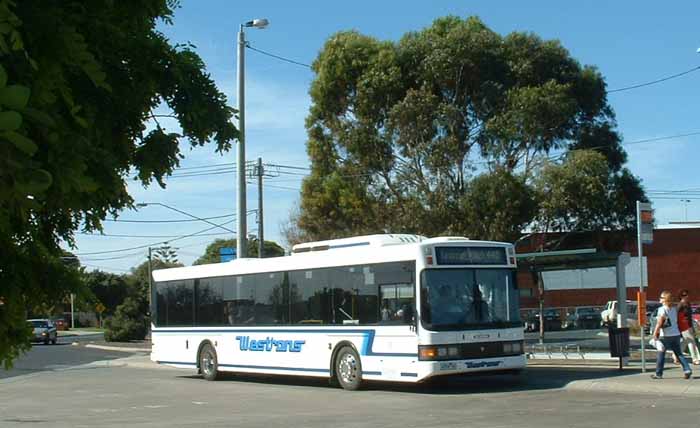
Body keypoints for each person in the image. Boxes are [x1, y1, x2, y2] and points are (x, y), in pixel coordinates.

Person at [651, 290, 692, 379]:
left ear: (665, 299)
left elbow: (660, 322)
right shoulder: (674, 309)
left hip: (665, 335)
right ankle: (687, 369)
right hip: (676, 334)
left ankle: (658, 374)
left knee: (661, 353)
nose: (659, 299)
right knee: (679, 353)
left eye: (661, 297)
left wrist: (655, 332)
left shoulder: (662, 309)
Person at [677, 290, 700, 365]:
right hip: (683, 325)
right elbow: (676, 316)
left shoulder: (688, 304)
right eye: (684, 295)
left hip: (689, 325)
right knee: (691, 341)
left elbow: (690, 317)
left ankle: (676, 356)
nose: (686, 296)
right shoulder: (680, 305)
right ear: (680, 297)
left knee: (685, 341)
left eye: (687, 295)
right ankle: (695, 358)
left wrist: (692, 326)